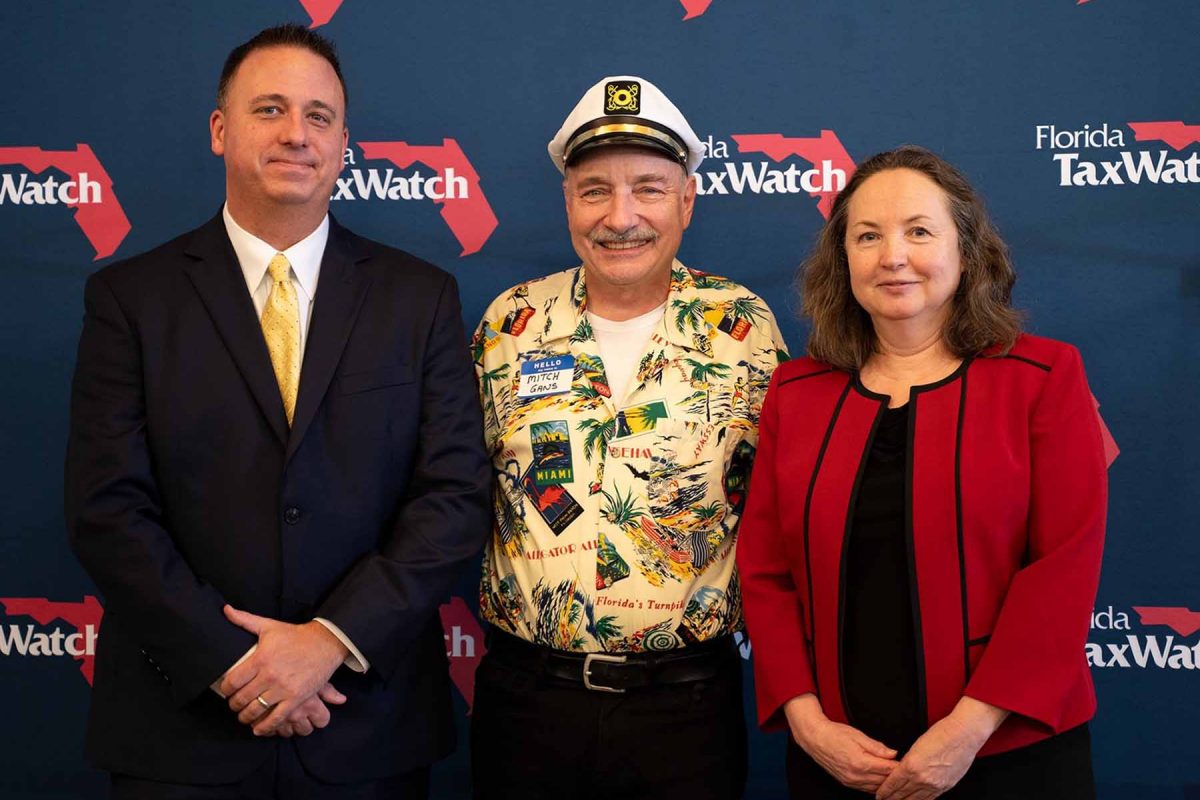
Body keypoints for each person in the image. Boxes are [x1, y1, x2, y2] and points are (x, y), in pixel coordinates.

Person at [65, 24, 489, 799]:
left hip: (366, 725)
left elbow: (455, 495)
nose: (298, 133)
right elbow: (106, 508)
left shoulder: (419, 299)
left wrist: (331, 640)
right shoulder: (130, 300)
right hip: (183, 729)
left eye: (319, 116)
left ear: (343, 142)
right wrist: (233, 664)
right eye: (270, 109)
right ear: (221, 130)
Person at [737, 145, 1107, 800]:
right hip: (837, 759)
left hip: (1010, 754)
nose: (893, 256)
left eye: (919, 232)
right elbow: (765, 573)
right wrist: (808, 721)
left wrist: (967, 730)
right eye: (868, 236)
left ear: (964, 252)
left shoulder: (1044, 379)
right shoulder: (795, 394)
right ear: (842, 258)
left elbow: (1063, 570)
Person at [468, 75, 789, 800]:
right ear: (567, 202)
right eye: (594, 190)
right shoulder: (509, 324)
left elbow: (784, 509)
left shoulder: (741, 327)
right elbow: (450, 485)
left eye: (648, 188)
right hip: (528, 705)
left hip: (685, 711)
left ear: (686, 200)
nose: (621, 217)